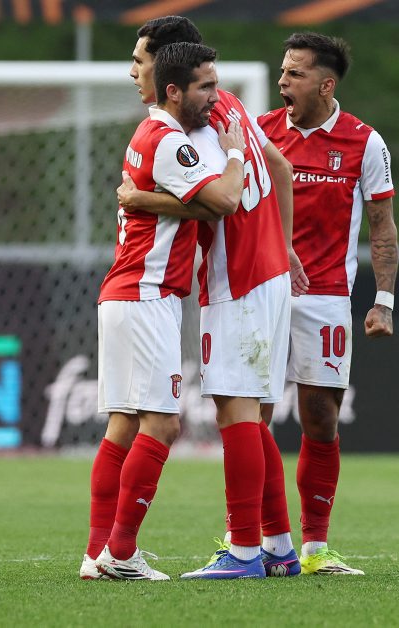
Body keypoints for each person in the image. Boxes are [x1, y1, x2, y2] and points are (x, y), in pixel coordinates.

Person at [115, 15, 304, 580]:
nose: (136, 71)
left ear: (168, 70)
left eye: (142, 60)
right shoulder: (233, 106)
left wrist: (142, 199)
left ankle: (243, 551)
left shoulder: (195, 124)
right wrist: (286, 245)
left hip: (239, 276)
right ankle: (278, 547)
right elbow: (281, 166)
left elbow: (221, 200)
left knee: (236, 411)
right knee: (252, 416)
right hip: (269, 268)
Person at [83, 41, 247, 581]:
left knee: (123, 425)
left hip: (126, 292)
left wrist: (147, 200)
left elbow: (186, 204)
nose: (215, 96)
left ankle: (97, 553)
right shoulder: (171, 141)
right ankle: (121, 553)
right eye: (205, 86)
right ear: (174, 89)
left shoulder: (147, 132)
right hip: (147, 295)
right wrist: (234, 153)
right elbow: (224, 201)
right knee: (163, 424)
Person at [256, 32, 398, 575]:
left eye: (294, 73)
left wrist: (383, 300)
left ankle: (316, 547)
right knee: (254, 417)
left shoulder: (365, 142)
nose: (282, 81)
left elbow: (382, 227)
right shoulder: (261, 133)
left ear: (325, 84)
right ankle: (257, 541)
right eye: (283, 71)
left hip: (327, 298)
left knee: (320, 417)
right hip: (263, 293)